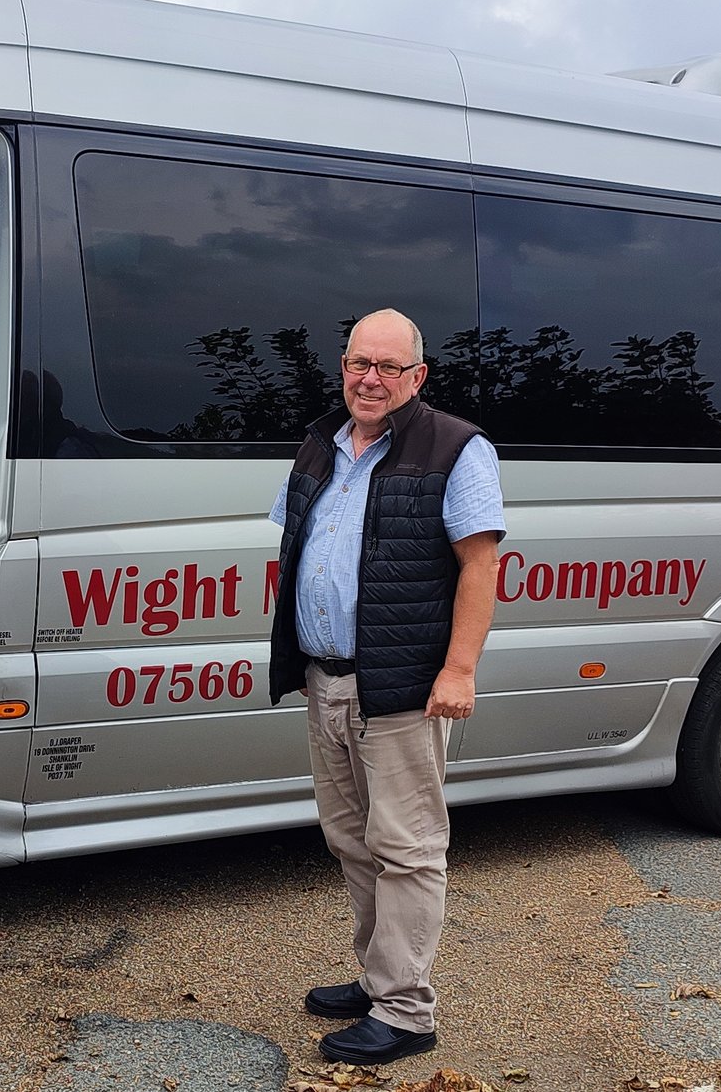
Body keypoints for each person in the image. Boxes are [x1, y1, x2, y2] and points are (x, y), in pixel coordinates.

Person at [268, 307, 505, 1066]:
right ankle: (379, 978)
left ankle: (406, 1011)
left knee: (406, 847)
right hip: (327, 680)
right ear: (343, 368)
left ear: (417, 376)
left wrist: (459, 668)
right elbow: (300, 543)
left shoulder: (456, 448)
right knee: (352, 838)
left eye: (388, 367)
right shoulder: (321, 441)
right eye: (357, 364)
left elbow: (479, 564)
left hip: (399, 686)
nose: (370, 380)